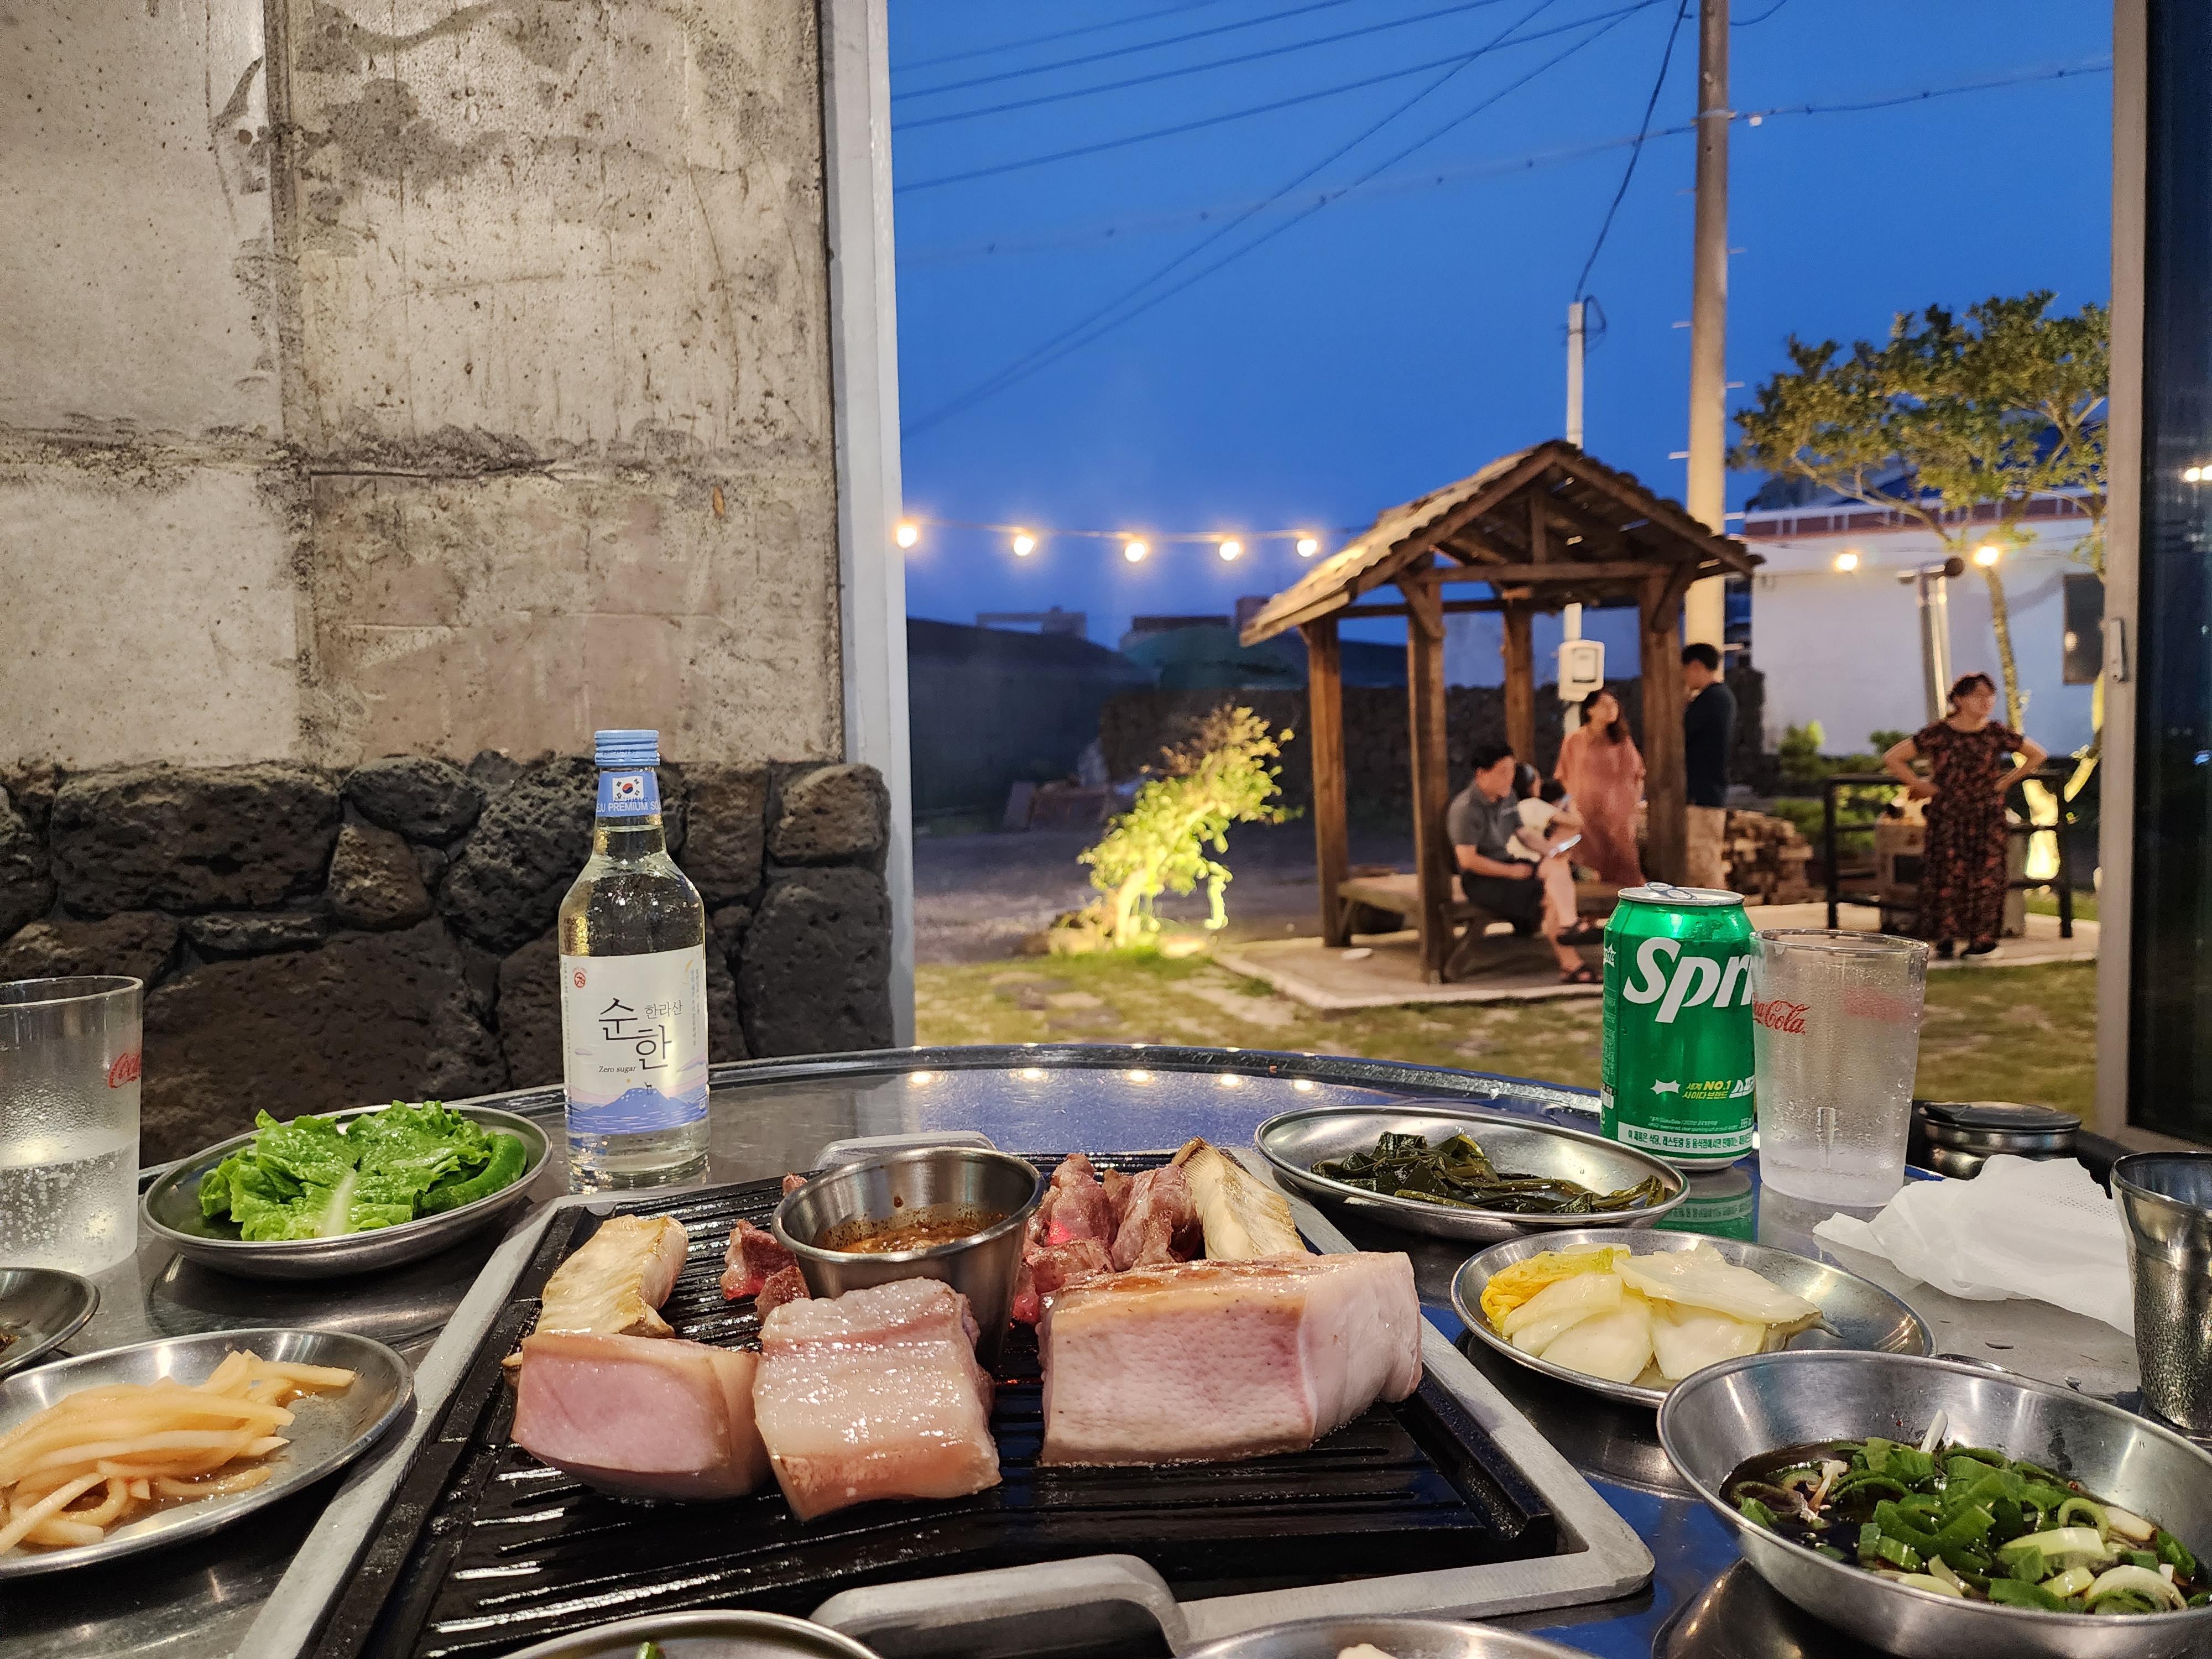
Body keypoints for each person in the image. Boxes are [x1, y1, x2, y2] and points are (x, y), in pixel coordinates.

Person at [1882, 672, 2047, 957]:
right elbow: (1894, 757)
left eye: (1990, 696)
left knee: (1986, 875)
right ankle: (1944, 936)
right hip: (1948, 814)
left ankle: (1982, 939)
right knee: (1945, 874)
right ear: (1959, 699)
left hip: (1986, 814)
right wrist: (1920, 784)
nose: (1986, 702)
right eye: (1978, 696)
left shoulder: (1996, 732)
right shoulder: (1940, 733)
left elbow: (2036, 754)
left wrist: (2006, 781)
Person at [1446, 744, 1599, 983]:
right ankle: (1571, 965)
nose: (1510, 778)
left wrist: (1551, 850)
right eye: (1503, 772)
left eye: (1512, 772)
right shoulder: (1466, 809)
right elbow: (1468, 861)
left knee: (1555, 866)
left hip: (1507, 864)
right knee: (1550, 899)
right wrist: (1512, 872)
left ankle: (1571, 925)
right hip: (1481, 880)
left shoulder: (1508, 798)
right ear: (1481, 774)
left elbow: (1524, 834)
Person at [1555, 687, 1645, 885]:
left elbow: (1638, 775)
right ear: (1590, 710)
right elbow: (1564, 775)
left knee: (1624, 861)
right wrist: (1570, 806)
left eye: (1614, 705)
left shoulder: (1622, 741)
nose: (1611, 709)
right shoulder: (1574, 740)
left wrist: (1632, 805)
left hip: (1616, 815)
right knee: (1587, 861)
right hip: (1584, 813)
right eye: (1605, 705)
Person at [1681, 643, 1735, 890]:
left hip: (1703, 792)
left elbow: (1682, 733)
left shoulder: (1711, 700)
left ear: (1696, 666)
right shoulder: (1722, 698)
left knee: (1703, 862)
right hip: (1709, 790)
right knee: (1705, 858)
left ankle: (1718, 922)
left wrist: (1684, 706)